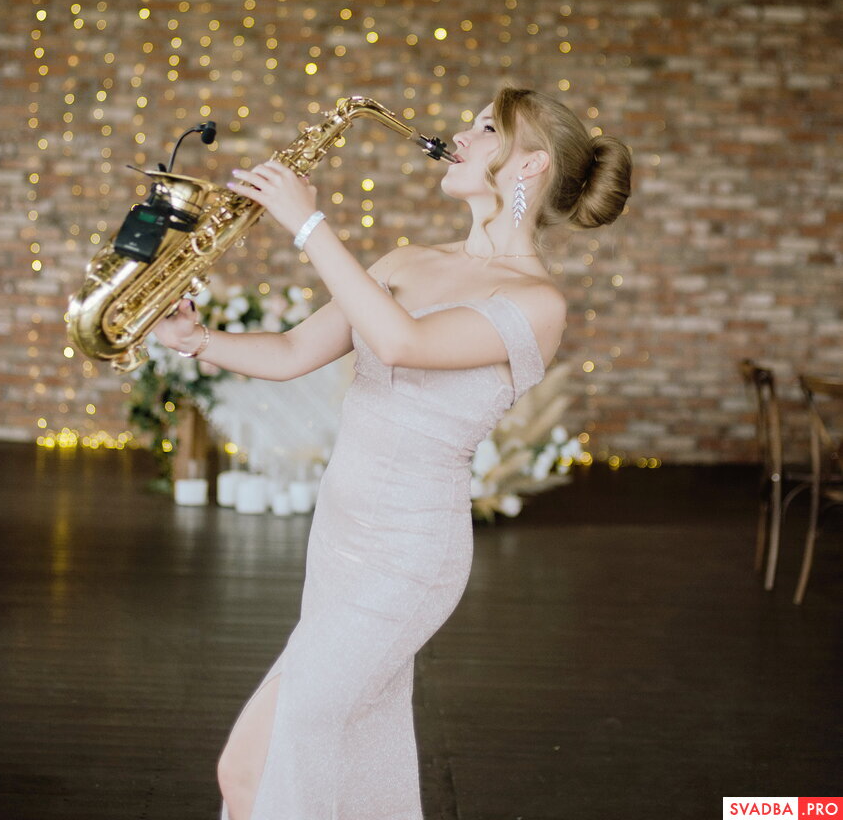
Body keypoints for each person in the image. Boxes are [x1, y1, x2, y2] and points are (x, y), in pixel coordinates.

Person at [153, 85, 632, 820]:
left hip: (409, 557)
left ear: (531, 164)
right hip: (338, 539)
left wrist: (308, 224)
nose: (459, 135)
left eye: (485, 128)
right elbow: (291, 352)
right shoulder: (406, 259)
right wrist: (198, 340)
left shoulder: (537, 303)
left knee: (262, 760)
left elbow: (402, 342)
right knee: (291, 765)